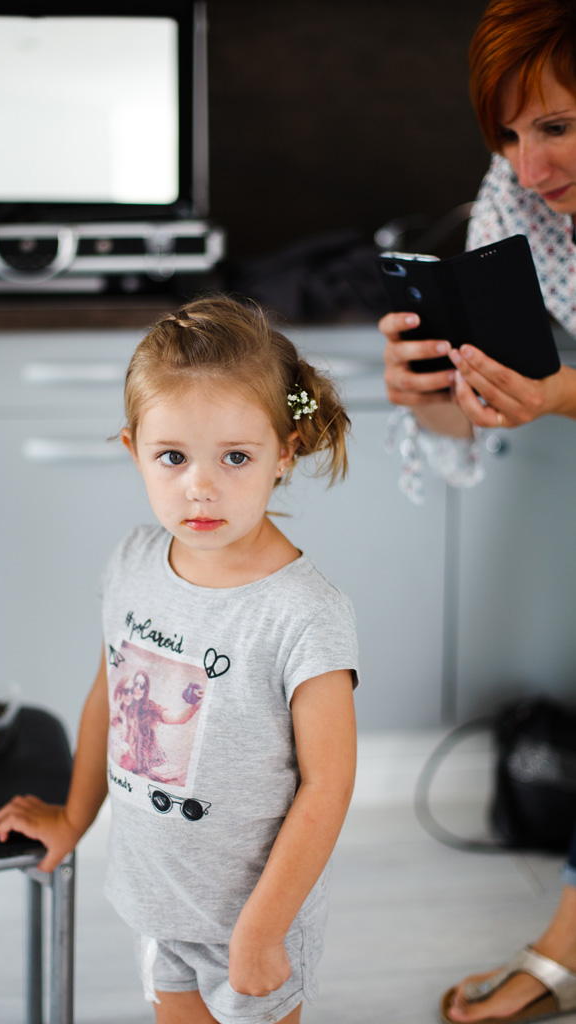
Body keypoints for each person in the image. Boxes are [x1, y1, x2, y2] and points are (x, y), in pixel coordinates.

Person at [0, 295, 359, 1024]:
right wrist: (74, 816)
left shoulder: (303, 613)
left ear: (283, 453)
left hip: (252, 917)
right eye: (172, 456)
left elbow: (327, 786)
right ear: (132, 450)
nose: (200, 485)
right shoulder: (132, 562)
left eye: (235, 457)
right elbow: (109, 697)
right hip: (158, 904)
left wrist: (260, 928)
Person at [379, 1, 576, 1021]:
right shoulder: (513, 195)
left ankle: (564, 949)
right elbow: (479, 424)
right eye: (506, 131)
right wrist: (431, 396)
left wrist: (551, 392)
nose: (527, 164)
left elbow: (545, 390)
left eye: (554, 126)